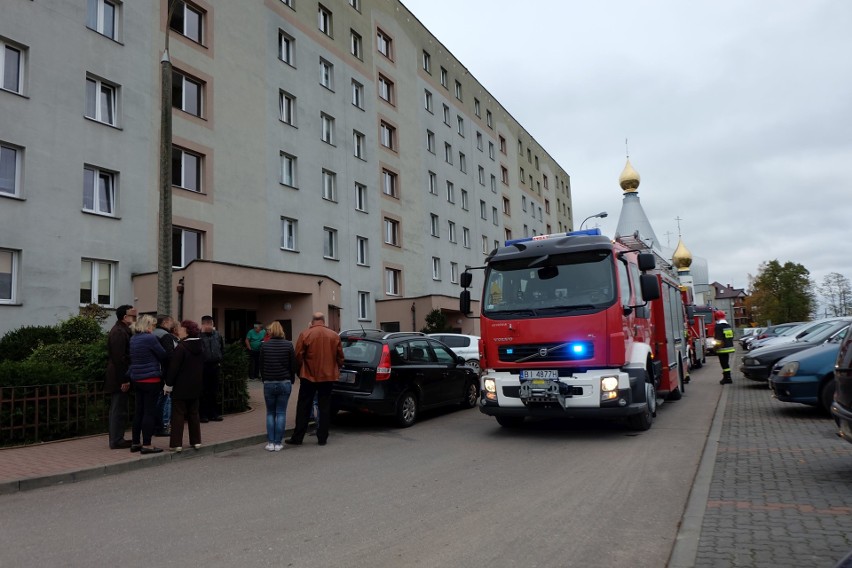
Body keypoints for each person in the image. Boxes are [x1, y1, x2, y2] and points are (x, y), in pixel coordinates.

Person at [286, 312, 344, 447]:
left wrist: (300, 370)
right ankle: (322, 438)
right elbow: (340, 357)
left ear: (312, 322)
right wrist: (336, 367)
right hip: (328, 376)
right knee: (325, 406)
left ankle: (298, 437)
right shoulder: (334, 335)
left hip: (308, 376)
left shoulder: (305, 334)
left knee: (303, 407)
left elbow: (298, 356)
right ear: (323, 321)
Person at [129, 314, 167, 453]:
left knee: (139, 411)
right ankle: (147, 444)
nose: (154, 328)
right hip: (151, 379)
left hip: (137, 378)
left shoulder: (133, 339)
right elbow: (162, 354)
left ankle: (135, 442)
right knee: (149, 412)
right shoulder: (150, 338)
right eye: (153, 325)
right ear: (148, 325)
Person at [164, 320, 204, 452]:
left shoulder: (181, 348)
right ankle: (196, 441)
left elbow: (173, 368)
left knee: (178, 414)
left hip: (181, 385)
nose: (178, 330)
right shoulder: (200, 346)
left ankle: (176, 444)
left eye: (181, 328)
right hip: (196, 385)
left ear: (187, 330)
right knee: (194, 413)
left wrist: (168, 384)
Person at [259, 321, 297, 451]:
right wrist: (291, 379)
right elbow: (293, 365)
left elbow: (261, 365)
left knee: (270, 413)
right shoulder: (288, 345)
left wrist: (265, 379)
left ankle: (270, 443)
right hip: (284, 382)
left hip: (269, 383)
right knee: (281, 413)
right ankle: (278, 443)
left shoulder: (265, 346)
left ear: (270, 331)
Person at [105, 304, 136, 449]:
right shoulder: (119, 332)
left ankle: (117, 438)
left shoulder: (122, 330)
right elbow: (119, 358)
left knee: (119, 408)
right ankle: (116, 440)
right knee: (118, 408)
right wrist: (124, 379)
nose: (135, 318)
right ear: (125, 317)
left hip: (119, 375)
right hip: (119, 377)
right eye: (133, 316)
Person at [153, 314, 178, 437]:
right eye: (170, 322)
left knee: (157, 400)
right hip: (163, 372)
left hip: (153, 371)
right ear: (165, 323)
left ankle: (155, 426)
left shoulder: (152, 333)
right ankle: (162, 426)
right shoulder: (165, 335)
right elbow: (170, 355)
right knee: (164, 399)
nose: (172, 324)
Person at [199, 315, 225, 422]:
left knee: (214, 391)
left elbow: (222, 348)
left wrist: (220, 359)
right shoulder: (199, 336)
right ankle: (203, 415)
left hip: (215, 366)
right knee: (204, 391)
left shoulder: (217, 335)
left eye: (211, 324)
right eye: (207, 324)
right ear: (203, 324)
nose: (209, 326)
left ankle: (214, 413)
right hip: (203, 367)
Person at [715, 310, 735, 385]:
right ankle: (728, 377)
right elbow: (732, 336)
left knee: (724, 364)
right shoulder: (728, 325)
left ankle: (727, 378)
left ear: (716, 317)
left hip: (722, 348)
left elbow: (718, 339)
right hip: (729, 347)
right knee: (726, 363)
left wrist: (715, 347)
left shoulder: (718, 326)